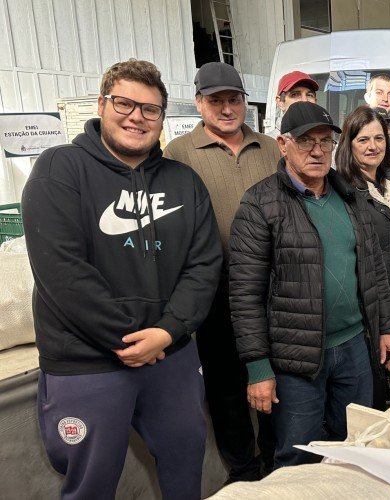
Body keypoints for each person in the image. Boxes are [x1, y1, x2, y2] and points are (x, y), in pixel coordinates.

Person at [21, 59, 222, 499]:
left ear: (162, 119)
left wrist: (167, 333)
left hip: (172, 359)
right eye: (125, 103)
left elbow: (204, 265)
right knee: (89, 484)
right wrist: (127, 340)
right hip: (88, 360)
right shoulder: (60, 169)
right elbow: (62, 270)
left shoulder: (184, 182)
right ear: (101, 104)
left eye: (150, 109)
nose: (137, 116)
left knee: (186, 463)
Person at [229, 101, 390, 469]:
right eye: (306, 141)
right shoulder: (260, 204)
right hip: (297, 358)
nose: (318, 150)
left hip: (354, 346)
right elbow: (245, 295)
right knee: (298, 454)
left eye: (325, 141)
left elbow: (373, 270)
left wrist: (387, 326)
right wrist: (258, 367)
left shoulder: (350, 196)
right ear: (283, 144)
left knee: (354, 442)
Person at [162, 62, 279, 482]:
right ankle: (244, 470)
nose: (226, 108)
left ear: (245, 101)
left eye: (234, 99)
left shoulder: (270, 147)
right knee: (227, 387)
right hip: (214, 292)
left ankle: (275, 460)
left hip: (272, 287)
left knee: (274, 379)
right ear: (199, 104)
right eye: (216, 101)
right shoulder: (177, 152)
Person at [335, 105, 390, 399]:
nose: (373, 146)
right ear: (349, 143)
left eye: (379, 138)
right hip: (366, 295)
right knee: (371, 372)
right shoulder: (343, 189)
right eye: (363, 140)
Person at [266, 70, 319, 137]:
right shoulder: (267, 144)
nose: (304, 100)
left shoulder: (326, 140)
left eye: (309, 95)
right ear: (280, 102)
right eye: (295, 94)